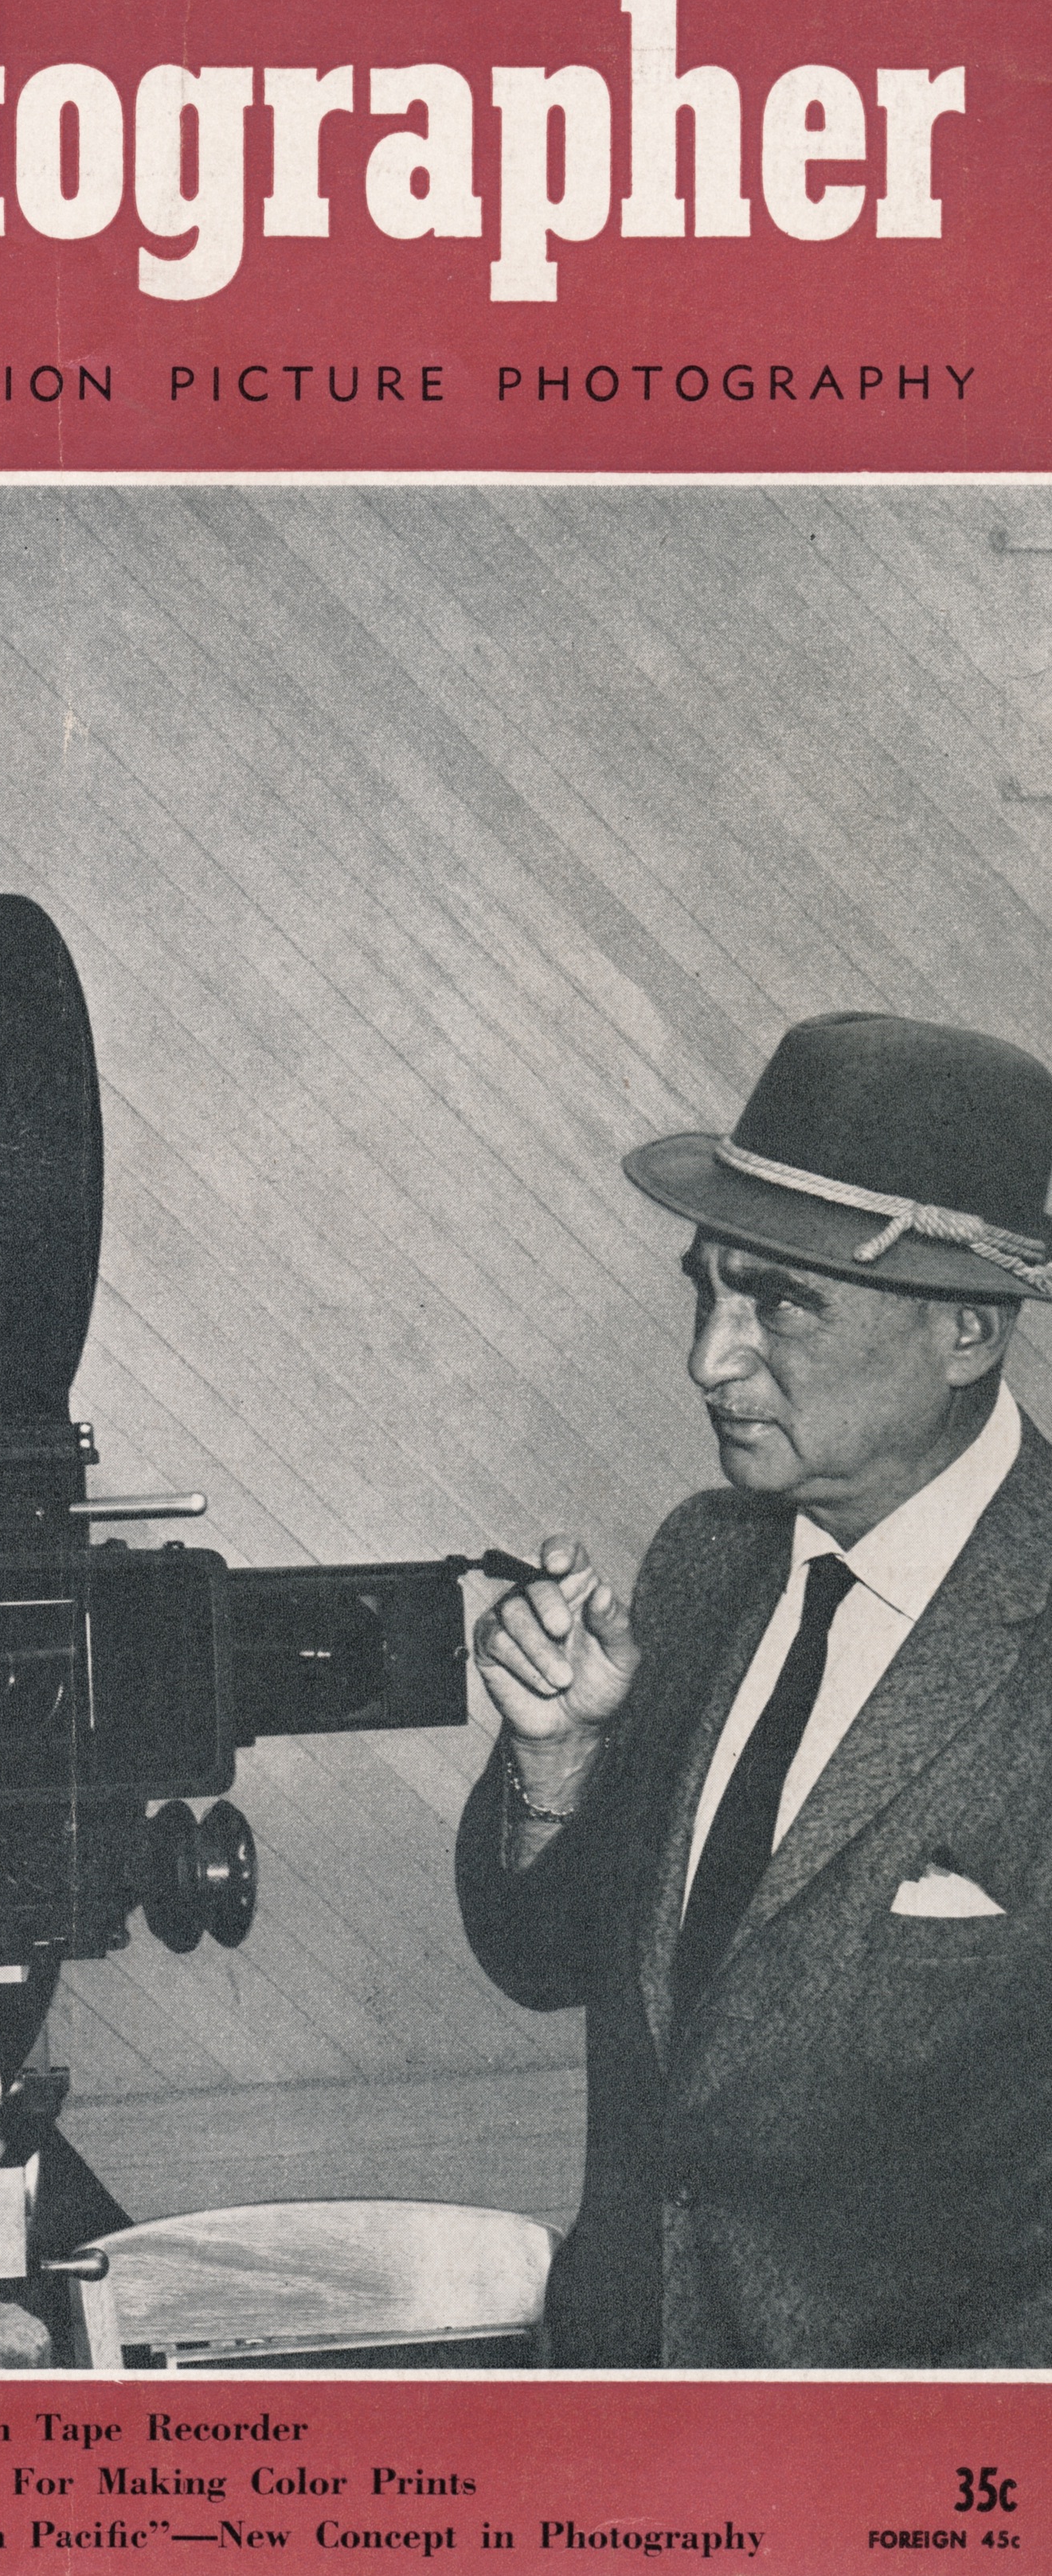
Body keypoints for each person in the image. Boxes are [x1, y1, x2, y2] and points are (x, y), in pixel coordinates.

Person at [457, 1011, 1052, 2367]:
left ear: (967, 1330)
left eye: (780, 1302)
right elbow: (544, 1964)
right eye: (708, 1291)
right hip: (627, 2416)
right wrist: (559, 1764)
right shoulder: (703, 1561)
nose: (709, 1359)